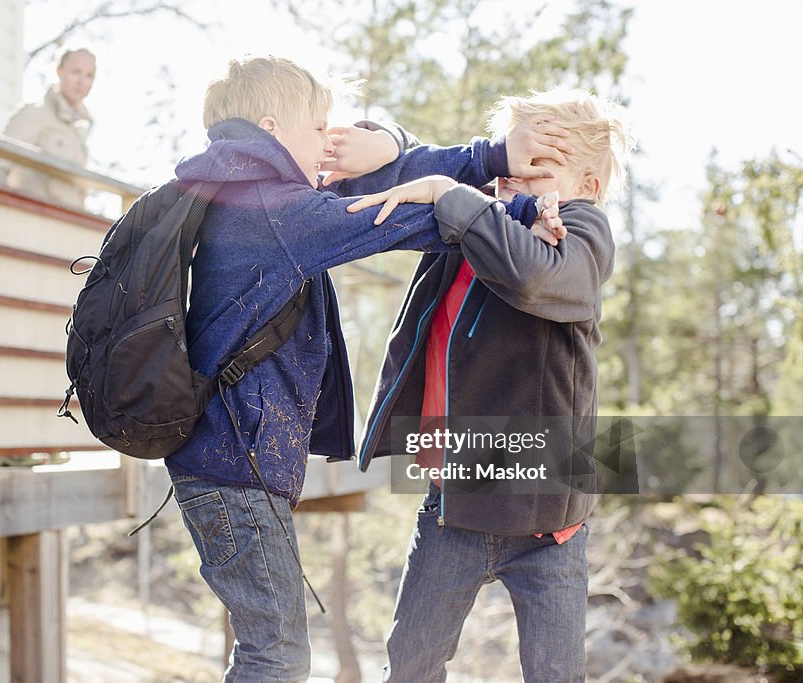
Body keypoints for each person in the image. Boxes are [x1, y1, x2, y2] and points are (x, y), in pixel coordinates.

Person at [163, 55, 571, 682]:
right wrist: (508, 206)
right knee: (275, 656)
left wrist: (418, 151)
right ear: (272, 128)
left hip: (225, 464)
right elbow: (397, 214)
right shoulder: (275, 209)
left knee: (269, 648)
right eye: (318, 128)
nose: (329, 143)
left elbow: (381, 185)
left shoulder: (251, 193)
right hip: (232, 466)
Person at [347, 88, 632, 682]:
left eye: (540, 169)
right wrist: (396, 145)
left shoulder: (581, 230)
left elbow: (540, 281)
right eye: (512, 160)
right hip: (456, 506)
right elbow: (396, 189)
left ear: (590, 187)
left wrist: (458, 201)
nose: (517, 178)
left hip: (547, 524)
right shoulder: (473, 220)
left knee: (555, 674)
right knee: (410, 665)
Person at [2, 46, 96, 208]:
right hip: (31, 219)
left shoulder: (80, 131)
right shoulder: (33, 114)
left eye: (89, 75)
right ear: (59, 71)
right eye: (75, 72)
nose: (82, 82)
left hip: (67, 224)